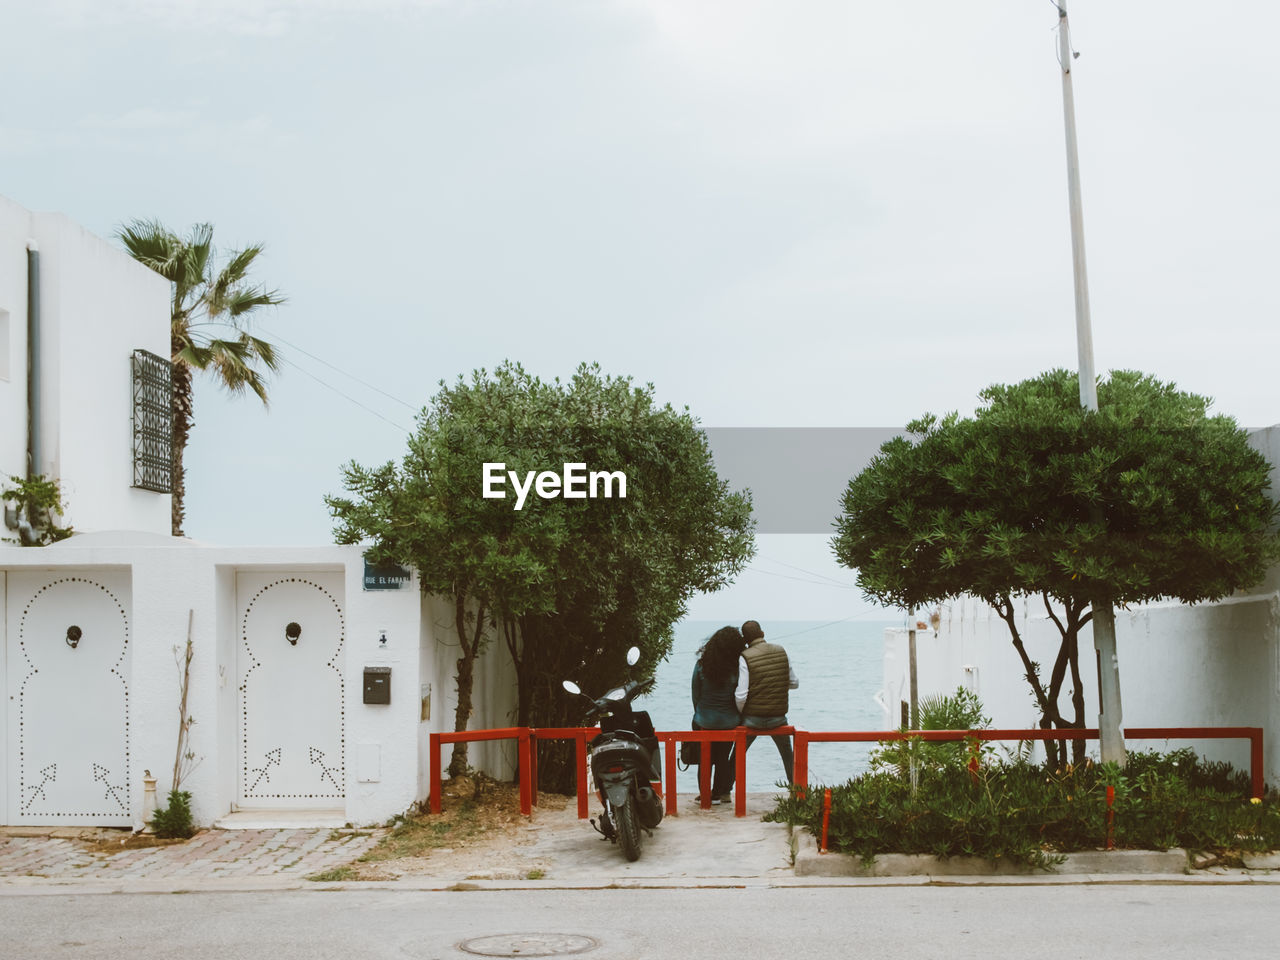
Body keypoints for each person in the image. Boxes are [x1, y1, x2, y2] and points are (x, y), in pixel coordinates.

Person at [735, 619, 798, 783]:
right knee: (787, 755)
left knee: (737, 755)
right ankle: (796, 791)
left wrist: (742, 714)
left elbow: (741, 695)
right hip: (778, 717)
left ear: (745, 640)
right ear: (762, 633)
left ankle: (724, 790)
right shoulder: (781, 650)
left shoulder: (745, 657)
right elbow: (794, 683)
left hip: (752, 719)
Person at [690, 625, 747, 804]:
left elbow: (695, 694)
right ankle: (722, 792)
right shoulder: (737, 668)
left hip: (704, 720)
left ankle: (706, 794)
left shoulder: (701, 666)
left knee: (704, 759)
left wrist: (700, 713)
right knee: (723, 758)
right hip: (729, 721)